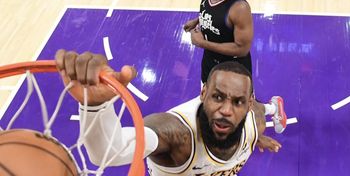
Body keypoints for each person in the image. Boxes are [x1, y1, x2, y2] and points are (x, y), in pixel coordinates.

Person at [55, 49, 282, 176]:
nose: (225, 110)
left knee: (264, 110)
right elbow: (108, 152)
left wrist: (256, 138)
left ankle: (275, 105)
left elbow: (254, 117)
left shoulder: (255, 120)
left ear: (249, 104)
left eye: (238, 102)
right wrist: (95, 106)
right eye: (218, 96)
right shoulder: (176, 134)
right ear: (203, 93)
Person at [183, 0, 287, 134]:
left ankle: (273, 108)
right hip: (209, 62)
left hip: (235, 66)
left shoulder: (240, 8)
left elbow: (242, 48)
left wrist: (203, 43)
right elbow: (209, 11)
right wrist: (197, 21)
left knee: (245, 110)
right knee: (209, 101)